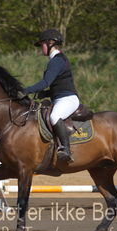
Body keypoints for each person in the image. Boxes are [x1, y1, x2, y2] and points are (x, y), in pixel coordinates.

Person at [19, 29, 80, 163]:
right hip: (60, 98)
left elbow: (46, 82)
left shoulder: (57, 61)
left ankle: (66, 149)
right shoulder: (56, 60)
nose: (41, 48)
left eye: (42, 44)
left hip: (68, 99)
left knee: (54, 116)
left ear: (51, 43)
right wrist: (44, 94)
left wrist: (26, 90)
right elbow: (57, 85)